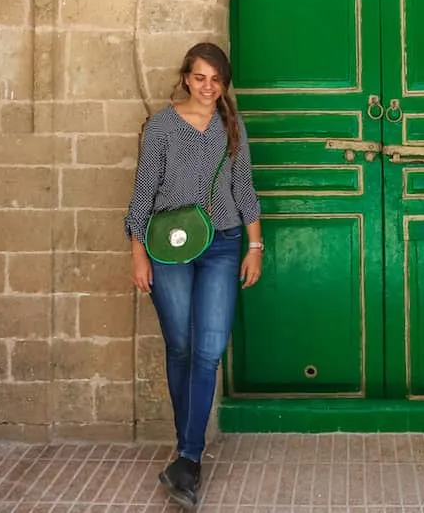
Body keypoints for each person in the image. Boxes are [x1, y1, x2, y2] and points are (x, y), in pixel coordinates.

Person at [124, 42, 264, 509]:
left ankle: (187, 455)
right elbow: (143, 192)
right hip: (168, 248)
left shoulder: (230, 125)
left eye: (216, 80)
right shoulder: (162, 126)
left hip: (223, 245)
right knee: (181, 346)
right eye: (200, 77)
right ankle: (188, 455)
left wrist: (255, 245)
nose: (208, 87)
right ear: (186, 77)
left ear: (224, 84)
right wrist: (138, 254)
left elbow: (243, 186)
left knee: (208, 349)